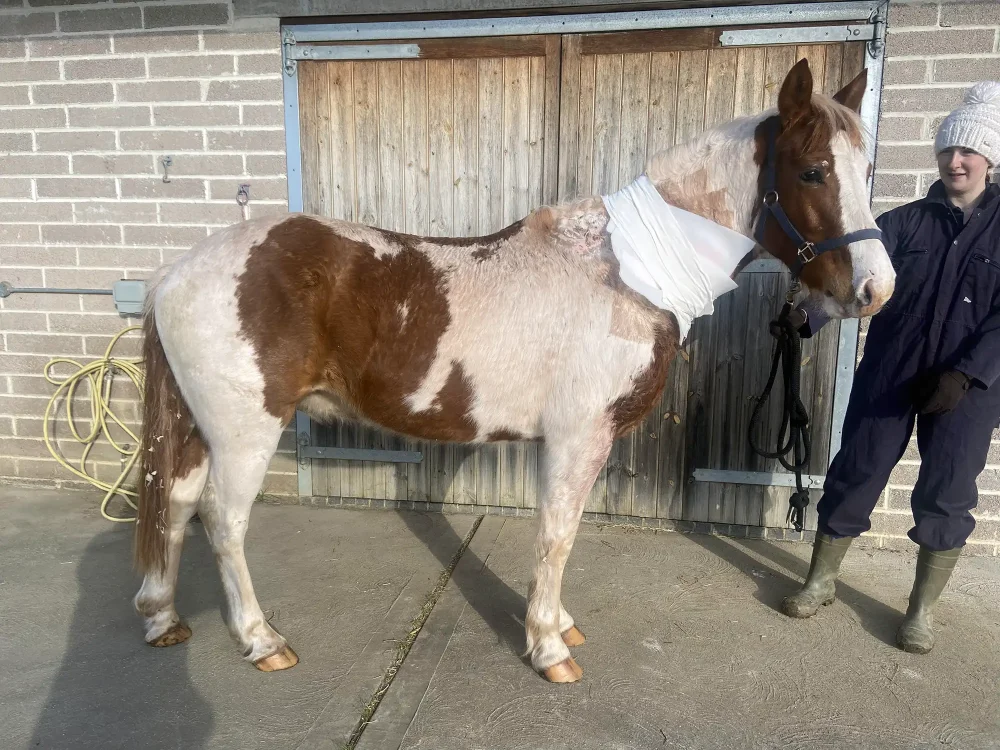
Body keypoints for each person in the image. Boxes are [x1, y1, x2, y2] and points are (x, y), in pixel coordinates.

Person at [781, 81, 1000, 654]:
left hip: (967, 387)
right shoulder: (903, 223)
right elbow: (856, 279)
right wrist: (810, 317)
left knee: (947, 492)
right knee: (856, 470)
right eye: (949, 150)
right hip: (890, 370)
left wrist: (968, 374)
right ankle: (821, 579)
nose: (956, 160)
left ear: (989, 159)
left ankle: (921, 612)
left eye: (969, 151)